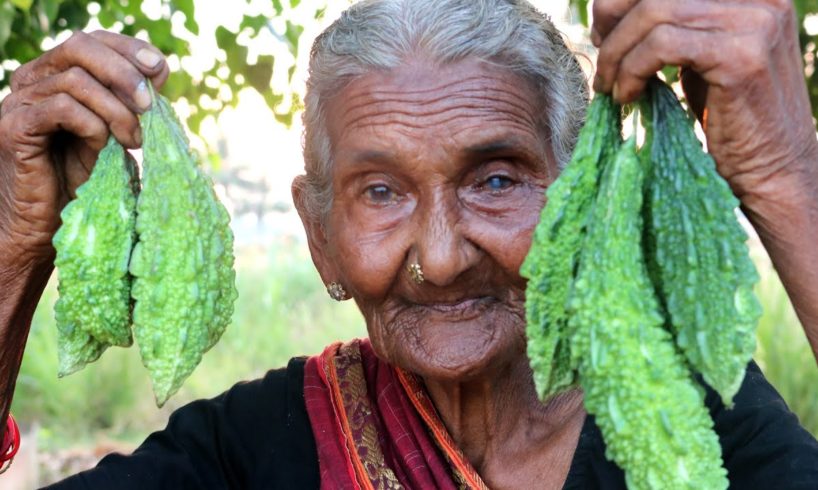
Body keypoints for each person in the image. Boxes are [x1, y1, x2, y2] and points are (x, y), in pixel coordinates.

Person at [2, 0, 818, 487]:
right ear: (319, 238)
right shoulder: (253, 451)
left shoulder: (700, 417)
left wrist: (787, 178)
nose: (442, 254)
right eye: (381, 192)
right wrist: (13, 241)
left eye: (495, 180)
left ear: (584, 207)